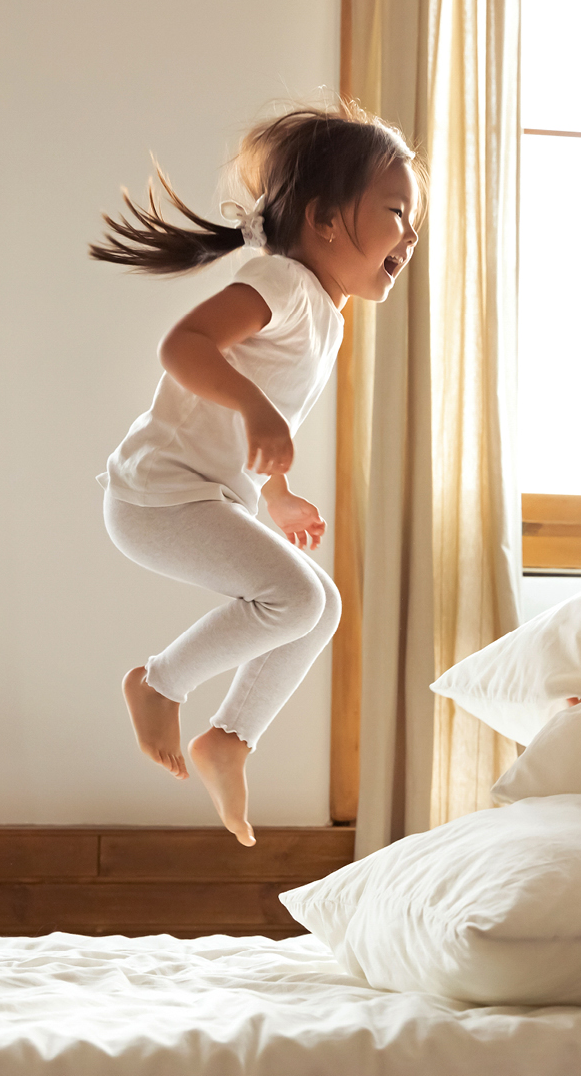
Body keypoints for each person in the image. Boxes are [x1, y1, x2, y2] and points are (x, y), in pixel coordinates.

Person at [89, 102, 421, 846]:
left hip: (195, 495)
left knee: (318, 606)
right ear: (328, 220)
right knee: (296, 598)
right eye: (397, 212)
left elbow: (256, 421)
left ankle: (231, 740)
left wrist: (275, 491)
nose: (411, 235)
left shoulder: (322, 315)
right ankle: (159, 683)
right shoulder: (282, 284)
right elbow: (183, 345)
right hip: (155, 497)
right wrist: (254, 409)